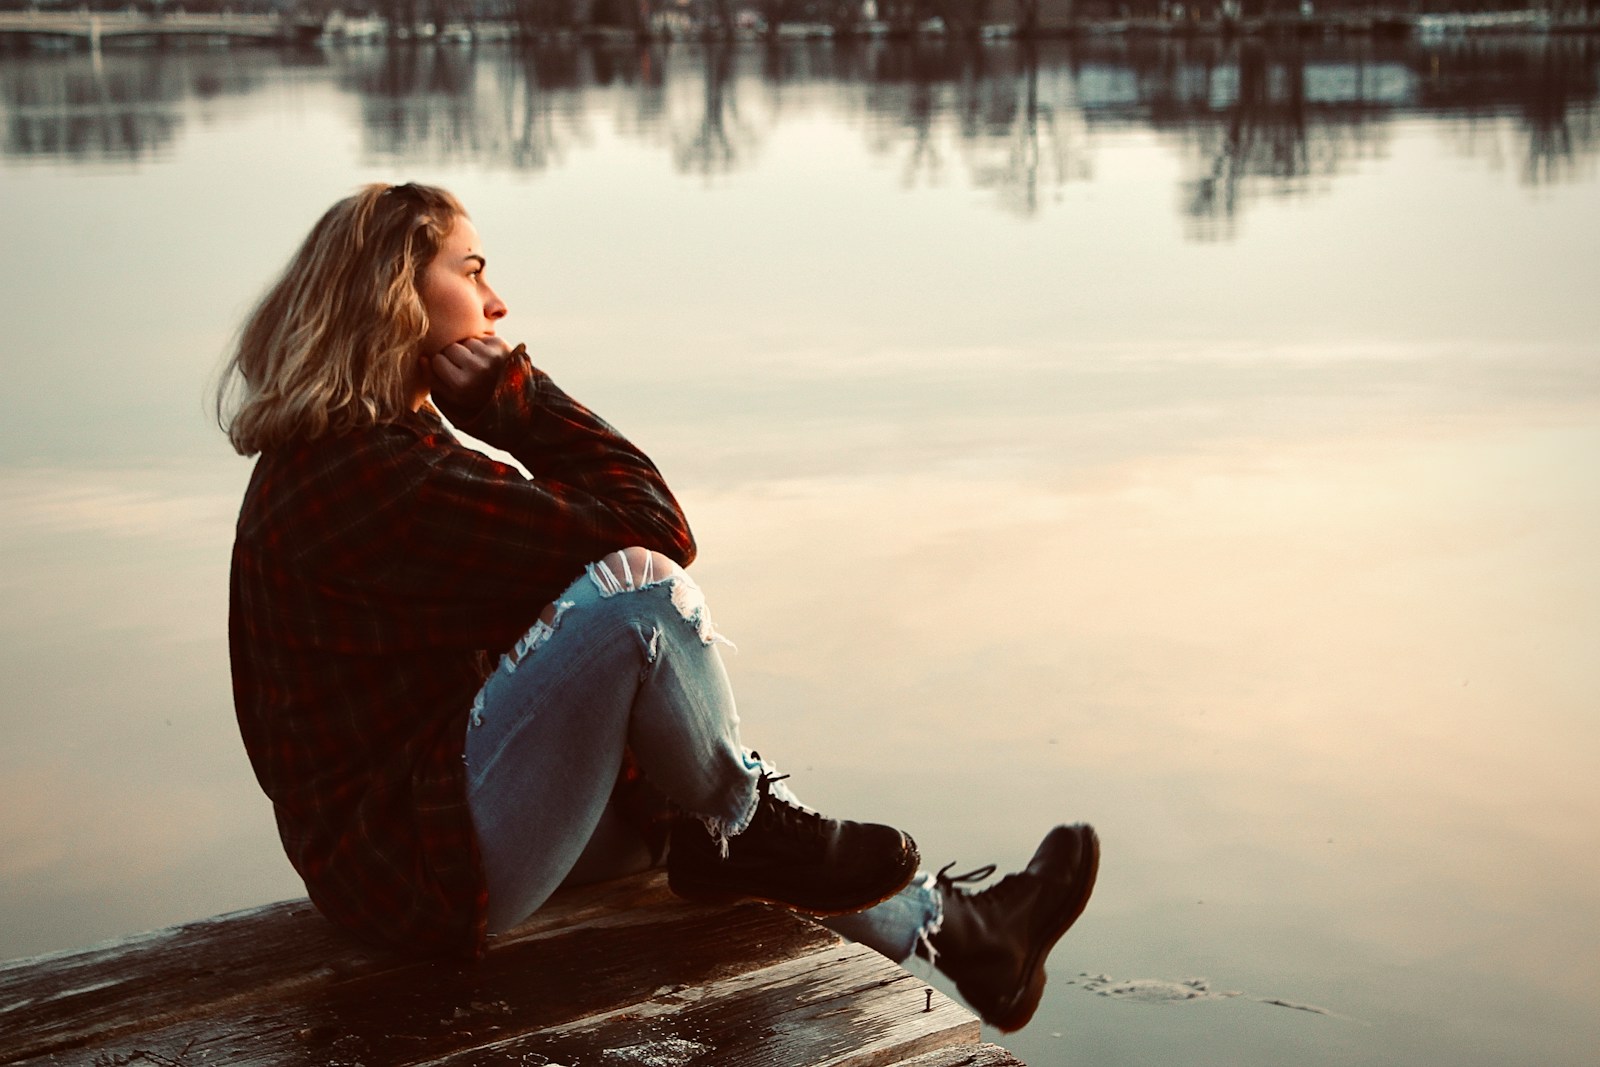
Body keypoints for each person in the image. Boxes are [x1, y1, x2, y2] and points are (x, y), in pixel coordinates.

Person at [217, 181, 1099, 1033]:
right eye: (472, 269)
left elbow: (589, 569)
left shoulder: (359, 458)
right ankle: (750, 827)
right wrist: (520, 402)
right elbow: (651, 534)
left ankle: (964, 935)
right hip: (420, 869)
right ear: (397, 298)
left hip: (409, 853)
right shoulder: (375, 481)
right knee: (640, 602)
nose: (497, 302)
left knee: (682, 765)